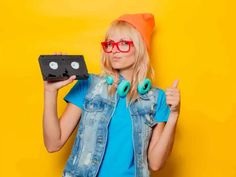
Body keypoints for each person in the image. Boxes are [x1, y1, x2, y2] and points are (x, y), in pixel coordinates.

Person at [43, 13, 181, 177]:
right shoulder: (89, 85)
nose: (114, 51)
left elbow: (156, 163)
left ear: (140, 47)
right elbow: (53, 144)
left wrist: (173, 116)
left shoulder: (156, 99)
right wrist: (50, 92)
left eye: (123, 43)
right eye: (110, 44)